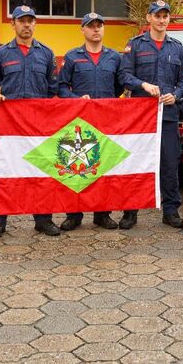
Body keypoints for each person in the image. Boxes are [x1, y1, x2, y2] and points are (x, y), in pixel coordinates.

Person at [0, 5, 59, 237]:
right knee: (6, 171)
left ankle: (43, 219)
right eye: (21, 21)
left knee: (41, 171)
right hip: (11, 127)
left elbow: (52, 89)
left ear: (35, 24)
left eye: (30, 21)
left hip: (39, 126)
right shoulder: (2, 54)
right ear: (13, 24)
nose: (26, 25)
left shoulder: (46, 54)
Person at [120, 0, 183, 228]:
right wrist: (143, 85)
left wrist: (176, 95)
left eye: (165, 16)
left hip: (168, 116)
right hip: (141, 118)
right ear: (148, 18)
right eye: (157, 15)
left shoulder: (177, 47)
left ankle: (170, 212)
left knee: (169, 164)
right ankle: (130, 213)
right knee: (137, 163)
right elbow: (124, 76)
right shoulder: (136, 45)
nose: (161, 20)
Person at [58, 13, 126, 230]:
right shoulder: (71, 57)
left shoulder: (115, 58)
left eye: (99, 26)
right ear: (83, 30)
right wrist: (76, 99)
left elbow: (119, 87)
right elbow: (60, 87)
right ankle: (74, 215)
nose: (96, 30)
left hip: (106, 121)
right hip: (79, 124)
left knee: (103, 167)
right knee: (77, 167)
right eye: (91, 26)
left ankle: (102, 214)